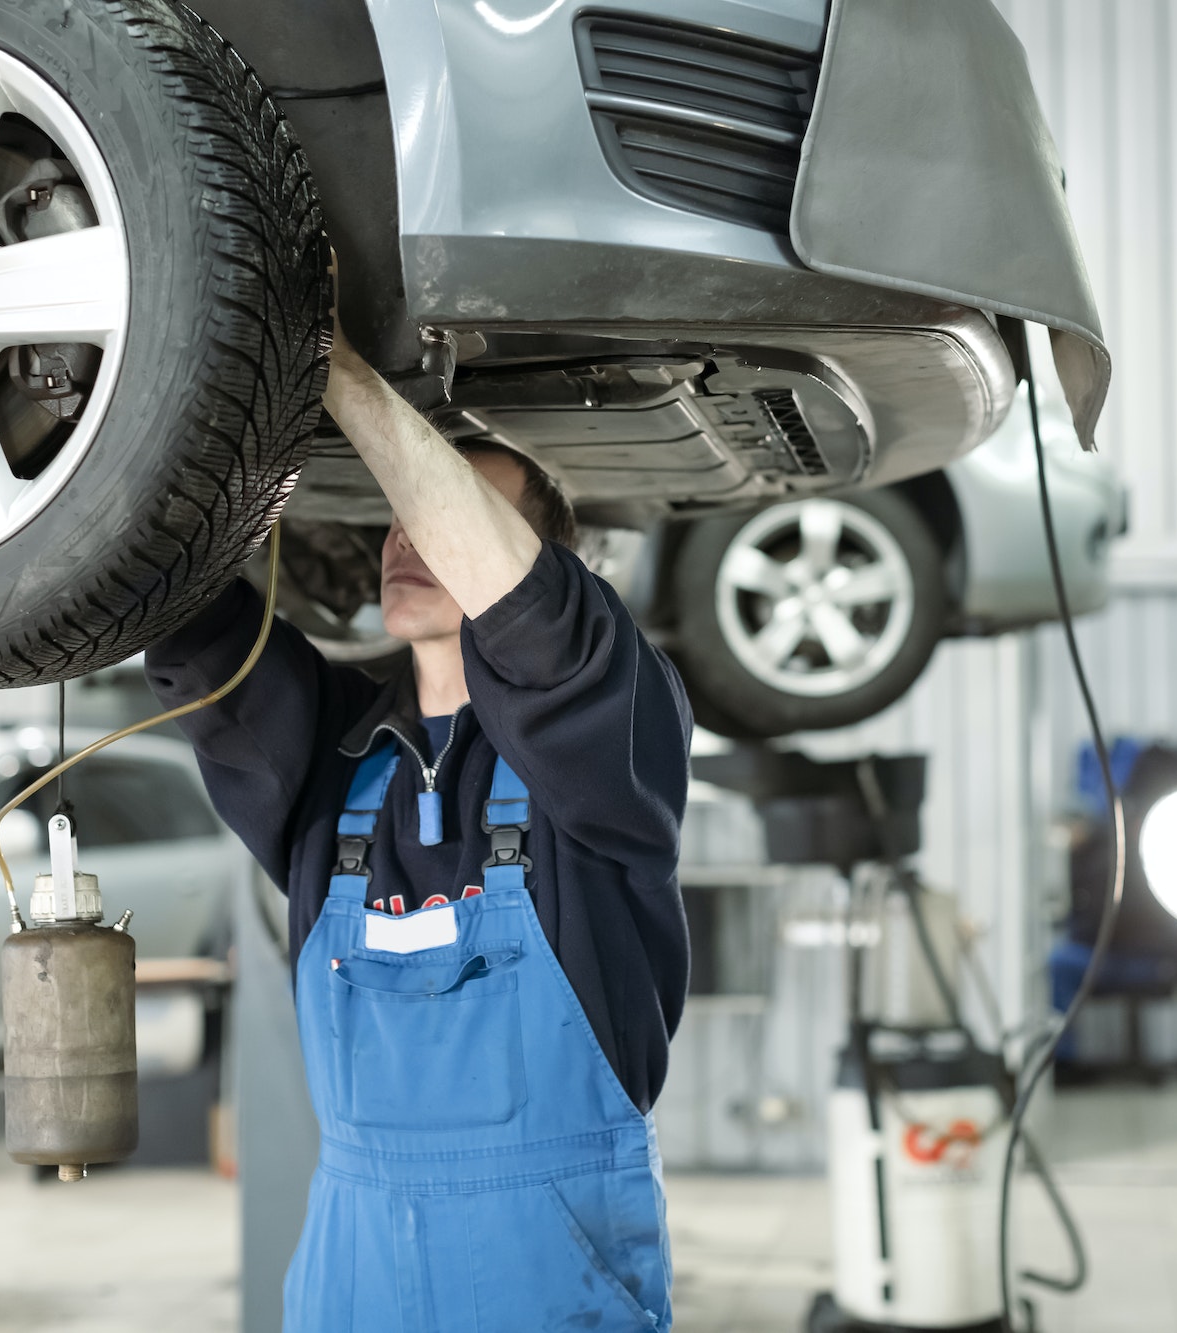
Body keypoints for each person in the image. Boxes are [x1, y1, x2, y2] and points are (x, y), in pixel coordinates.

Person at [144, 331, 693, 1332]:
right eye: (399, 515)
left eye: (450, 513)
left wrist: (330, 361)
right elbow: (182, 616)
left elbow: (549, 634)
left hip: (547, 1280)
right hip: (351, 1278)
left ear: (536, 564)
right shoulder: (336, 758)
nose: (409, 532)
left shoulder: (608, 748)